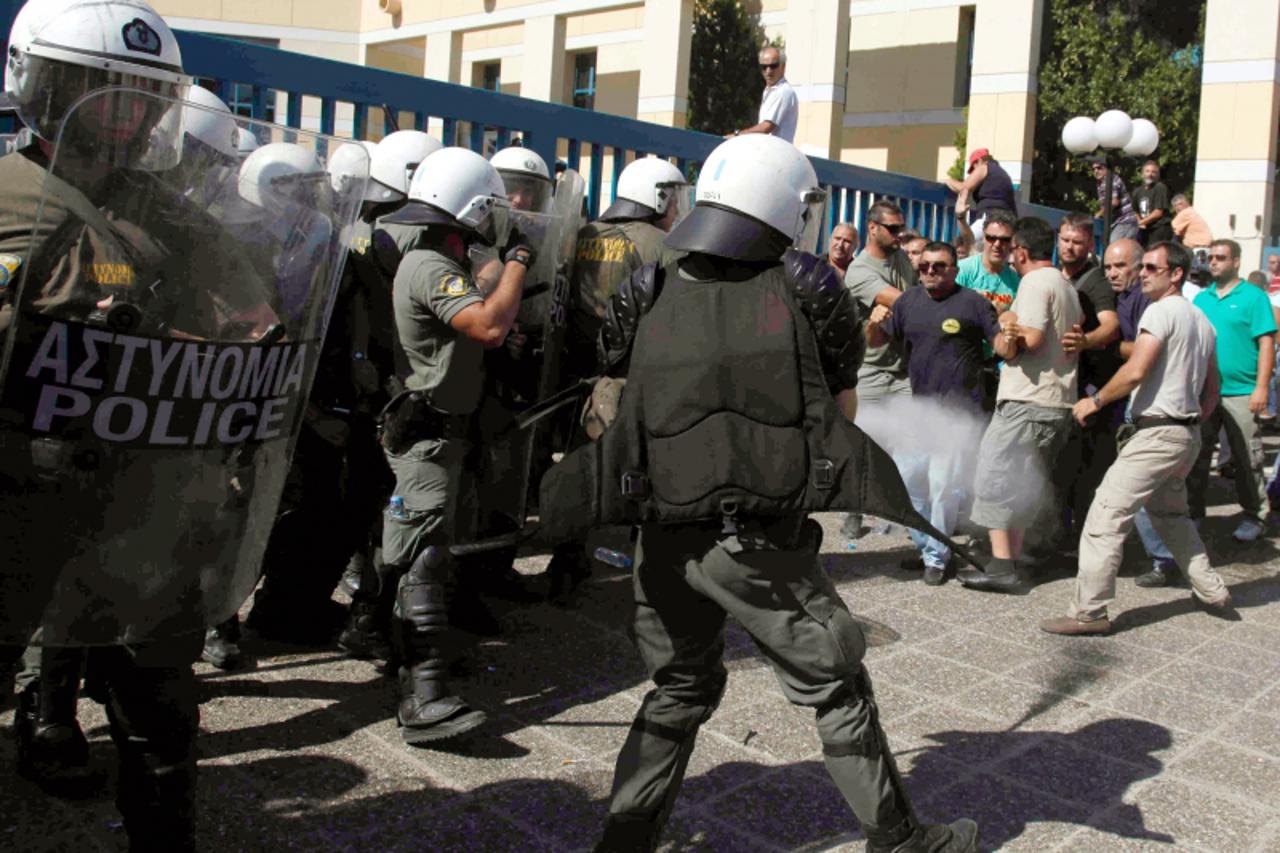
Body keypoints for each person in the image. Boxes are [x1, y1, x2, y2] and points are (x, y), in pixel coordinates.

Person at [538, 132, 978, 853]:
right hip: (758, 541)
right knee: (836, 683)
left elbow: (614, 395)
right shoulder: (806, 287)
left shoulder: (646, 284)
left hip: (661, 534)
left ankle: (623, 843)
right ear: (788, 205)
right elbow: (839, 412)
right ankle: (899, 841)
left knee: (677, 689)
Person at [372, 146, 534, 744]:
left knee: (431, 549)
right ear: (470, 209)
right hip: (427, 435)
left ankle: (413, 661)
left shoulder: (440, 260)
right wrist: (517, 260)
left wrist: (502, 269)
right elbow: (487, 324)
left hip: (447, 433)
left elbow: (477, 290)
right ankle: (424, 697)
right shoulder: (427, 266)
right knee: (423, 556)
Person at [1042, 241, 1234, 634]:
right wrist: (1191, 421)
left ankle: (1089, 612)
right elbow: (1213, 388)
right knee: (1171, 516)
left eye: (1151, 267)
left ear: (1176, 273)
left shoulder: (1160, 312)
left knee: (1104, 517)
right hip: (1185, 434)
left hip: (1158, 433)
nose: (1142, 273)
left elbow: (1135, 371)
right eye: (1142, 266)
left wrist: (1093, 402)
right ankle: (1213, 592)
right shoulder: (1202, 321)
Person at [546, 155, 688, 599]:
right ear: (659, 196)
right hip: (630, 375)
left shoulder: (582, 233)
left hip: (573, 372)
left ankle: (566, 561)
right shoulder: (662, 245)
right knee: (642, 468)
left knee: (578, 464)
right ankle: (652, 568)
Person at [960, 218, 1083, 594]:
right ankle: (1011, 561)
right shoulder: (1065, 285)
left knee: (994, 478)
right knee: (1020, 484)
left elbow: (1029, 338)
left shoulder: (1034, 282)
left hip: (1028, 402)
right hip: (1055, 403)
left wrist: (1006, 320)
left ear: (1022, 251)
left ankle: (1000, 568)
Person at [866, 242, 1001, 584]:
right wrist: (873, 323)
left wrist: (1012, 330)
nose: (929, 271)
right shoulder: (908, 301)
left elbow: (1001, 345)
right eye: (924, 266)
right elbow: (877, 341)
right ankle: (929, 546)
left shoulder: (974, 303)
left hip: (958, 414)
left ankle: (936, 560)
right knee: (907, 484)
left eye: (938, 266)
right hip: (920, 411)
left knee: (943, 488)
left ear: (954, 270)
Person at [1186, 239, 1276, 542]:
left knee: (1246, 458)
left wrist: (1261, 387)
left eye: (1221, 257)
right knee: (1197, 456)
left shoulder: (1253, 297)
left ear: (1236, 261)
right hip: (1205, 392)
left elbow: (1266, 343)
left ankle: (1255, 516)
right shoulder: (1202, 299)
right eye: (1210, 257)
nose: (1214, 262)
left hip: (1242, 392)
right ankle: (1194, 514)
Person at [840, 199, 916, 539]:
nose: (899, 233)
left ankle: (899, 509)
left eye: (901, 227)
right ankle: (853, 511)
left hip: (903, 369)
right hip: (870, 369)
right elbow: (903, 302)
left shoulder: (900, 258)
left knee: (909, 440)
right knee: (866, 444)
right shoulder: (859, 271)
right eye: (893, 228)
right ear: (873, 228)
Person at [1056, 214, 1122, 542]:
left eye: (1077, 241)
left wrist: (1086, 341)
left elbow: (1111, 325)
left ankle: (1081, 541)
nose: (1070, 246)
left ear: (1089, 245)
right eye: (1066, 239)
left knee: (1085, 470)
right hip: (1062, 387)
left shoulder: (1095, 280)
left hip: (1090, 389)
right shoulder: (1053, 276)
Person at [726, 45, 797, 143]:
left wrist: (737, 135)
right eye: (764, 67)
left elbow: (766, 127)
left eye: (773, 66)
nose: (768, 71)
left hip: (776, 155)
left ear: (783, 67)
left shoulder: (783, 92)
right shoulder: (771, 90)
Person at [955, 210, 1019, 313]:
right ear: (983, 237)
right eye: (991, 238)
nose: (997, 244)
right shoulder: (961, 270)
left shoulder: (1016, 281)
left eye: (1005, 239)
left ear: (1012, 242)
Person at [946, 148, 1018, 225]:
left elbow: (963, 188)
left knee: (968, 236)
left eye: (973, 167)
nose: (974, 170)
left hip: (990, 217)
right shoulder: (1002, 172)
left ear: (979, 160)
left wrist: (949, 181)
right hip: (1009, 221)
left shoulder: (983, 167)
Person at [1092, 161, 1140, 243]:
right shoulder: (1100, 183)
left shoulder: (1111, 180)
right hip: (1118, 222)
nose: (1096, 171)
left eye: (1099, 168)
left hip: (1126, 221)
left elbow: (1114, 202)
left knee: (1114, 246)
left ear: (1107, 168)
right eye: (1094, 169)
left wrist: (1099, 213)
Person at [1131, 160, 1173, 246]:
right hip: (1146, 229)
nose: (1150, 174)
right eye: (1147, 171)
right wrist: (1139, 221)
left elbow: (1158, 212)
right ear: (1142, 174)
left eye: (1154, 172)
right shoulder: (1137, 191)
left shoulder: (1160, 188)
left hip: (1159, 228)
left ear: (1158, 175)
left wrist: (1141, 222)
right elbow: (1135, 210)